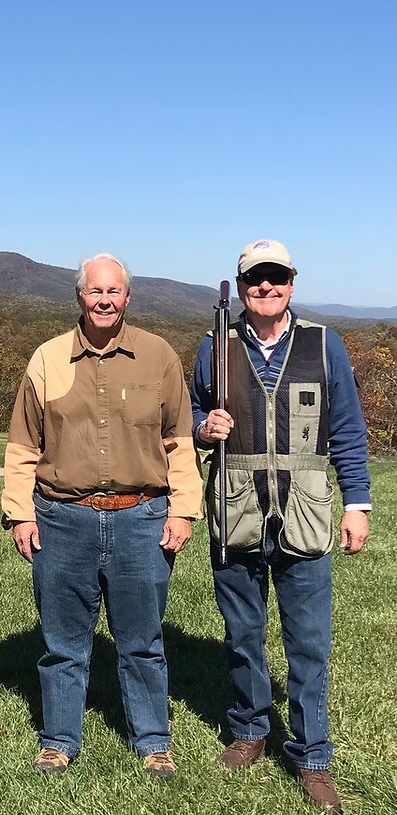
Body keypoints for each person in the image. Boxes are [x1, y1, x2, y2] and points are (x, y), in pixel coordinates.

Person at [2, 252, 202, 778]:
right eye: (95, 291)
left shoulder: (158, 356)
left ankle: (153, 740)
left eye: (114, 292)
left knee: (142, 640)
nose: (105, 300)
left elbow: (180, 441)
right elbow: (23, 445)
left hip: (142, 517)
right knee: (63, 643)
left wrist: (183, 510)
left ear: (127, 298)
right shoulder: (46, 360)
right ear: (79, 297)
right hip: (62, 519)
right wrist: (21, 514)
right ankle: (59, 740)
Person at [190, 239, 371, 813]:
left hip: (307, 514)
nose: (265, 288)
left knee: (309, 644)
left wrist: (357, 503)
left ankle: (311, 754)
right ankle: (249, 730)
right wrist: (203, 427)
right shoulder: (215, 346)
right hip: (236, 511)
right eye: (254, 279)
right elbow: (188, 412)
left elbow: (345, 427)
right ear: (240, 287)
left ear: (292, 282)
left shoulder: (324, 345)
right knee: (244, 635)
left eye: (276, 277)